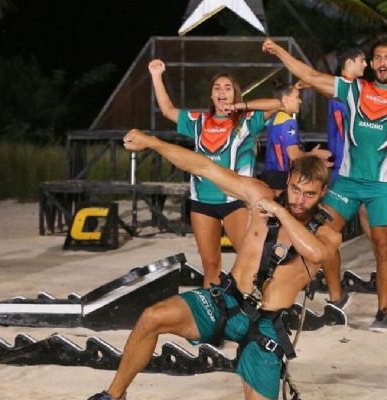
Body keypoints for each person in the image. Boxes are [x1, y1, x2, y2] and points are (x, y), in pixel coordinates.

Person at [88, 129, 341, 400]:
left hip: (266, 325)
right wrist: (153, 142)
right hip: (226, 301)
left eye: (309, 194)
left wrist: (280, 211)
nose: (299, 200)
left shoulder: (327, 233)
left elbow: (315, 253)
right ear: (288, 179)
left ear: (323, 192)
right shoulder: (261, 195)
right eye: (295, 189)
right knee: (152, 317)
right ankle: (113, 396)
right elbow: (204, 167)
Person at [262, 36, 387, 332]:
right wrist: (280, 51)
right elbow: (311, 76)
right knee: (321, 234)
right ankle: (337, 300)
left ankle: (383, 312)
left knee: (383, 246)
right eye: (378, 58)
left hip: (382, 186)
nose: (383, 62)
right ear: (372, 63)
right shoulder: (354, 89)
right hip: (348, 182)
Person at [148, 59, 278, 287]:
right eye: (217, 88)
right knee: (210, 266)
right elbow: (167, 110)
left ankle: (258, 304)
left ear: (235, 94)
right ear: (211, 95)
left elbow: (277, 104)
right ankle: (213, 307)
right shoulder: (199, 121)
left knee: (251, 261)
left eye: (228, 88)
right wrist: (156, 76)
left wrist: (241, 107)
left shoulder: (247, 121)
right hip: (202, 202)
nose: (222, 92)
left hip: (236, 202)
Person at [326, 45, 372, 243]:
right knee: (332, 223)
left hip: (359, 166)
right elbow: (344, 132)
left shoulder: (360, 89)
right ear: (350, 62)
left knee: (366, 214)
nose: (366, 64)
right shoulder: (340, 92)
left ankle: (385, 258)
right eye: (362, 60)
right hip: (344, 167)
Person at [261, 80, 332, 195]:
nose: (300, 101)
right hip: (281, 177)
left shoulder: (274, 119)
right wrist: (315, 154)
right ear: (285, 99)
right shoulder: (288, 122)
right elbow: (294, 155)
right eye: (297, 97)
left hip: (270, 175)